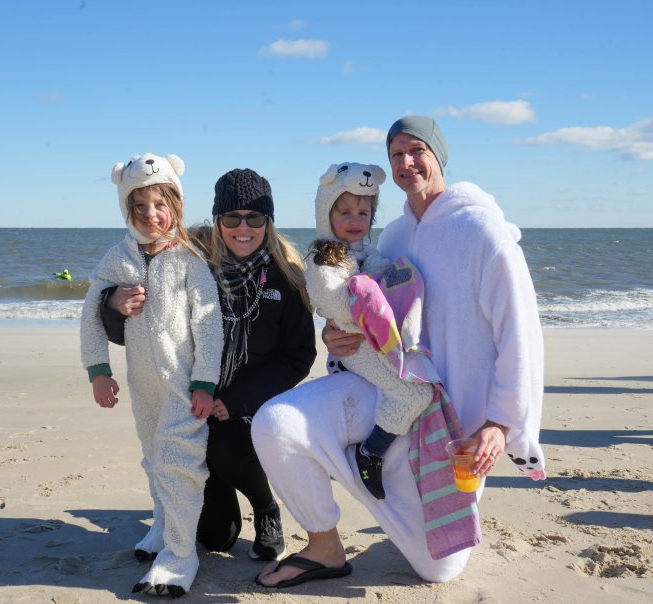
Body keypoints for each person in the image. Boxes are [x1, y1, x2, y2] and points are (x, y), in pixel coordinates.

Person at [252, 116, 545, 588]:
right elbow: (354, 309)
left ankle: (373, 473)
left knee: (438, 569)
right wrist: (335, 339)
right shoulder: (390, 238)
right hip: (384, 388)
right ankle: (326, 544)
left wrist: (502, 423)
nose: (407, 163)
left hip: (453, 420)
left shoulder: (483, 231)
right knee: (275, 423)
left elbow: (521, 334)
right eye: (396, 155)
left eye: (417, 151)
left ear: (438, 156)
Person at [100, 169, 317, 573]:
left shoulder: (287, 277)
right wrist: (113, 305)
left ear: (268, 222)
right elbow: (142, 331)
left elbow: (299, 356)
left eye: (255, 217)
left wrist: (235, 400)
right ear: (217, 220)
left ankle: (266, 507)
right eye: (232, 217)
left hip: (251, 409)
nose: (243, 227)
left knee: (227, 443)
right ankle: (201, 494)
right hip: (191, 401)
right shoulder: (189, 261)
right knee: (216, 538)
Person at [79, 152, 224, 598]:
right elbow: (89, 314)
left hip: (183, 385)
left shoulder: (188, 260)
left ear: (176, 205)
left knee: (179, 461)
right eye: (139, 206)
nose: (150, 214)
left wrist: (204, 381)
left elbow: (208, 321)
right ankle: (162, 526)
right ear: (127, 209)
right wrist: (98, 371)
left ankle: (181, 555)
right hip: (141, 382)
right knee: (152, 455)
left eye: (159, 204)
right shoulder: (116, 258)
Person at [304, 161, 437, 500]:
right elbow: (335, 305)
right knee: (414, 393)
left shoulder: (369, 254)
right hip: (357, 345)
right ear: (326, 214)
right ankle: (370, 452)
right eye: (345, 211)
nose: (354, 220)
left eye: (363, 213)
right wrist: (371, 307)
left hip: (375, 338)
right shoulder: (324, 259)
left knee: (424, 379)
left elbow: (390, 284)